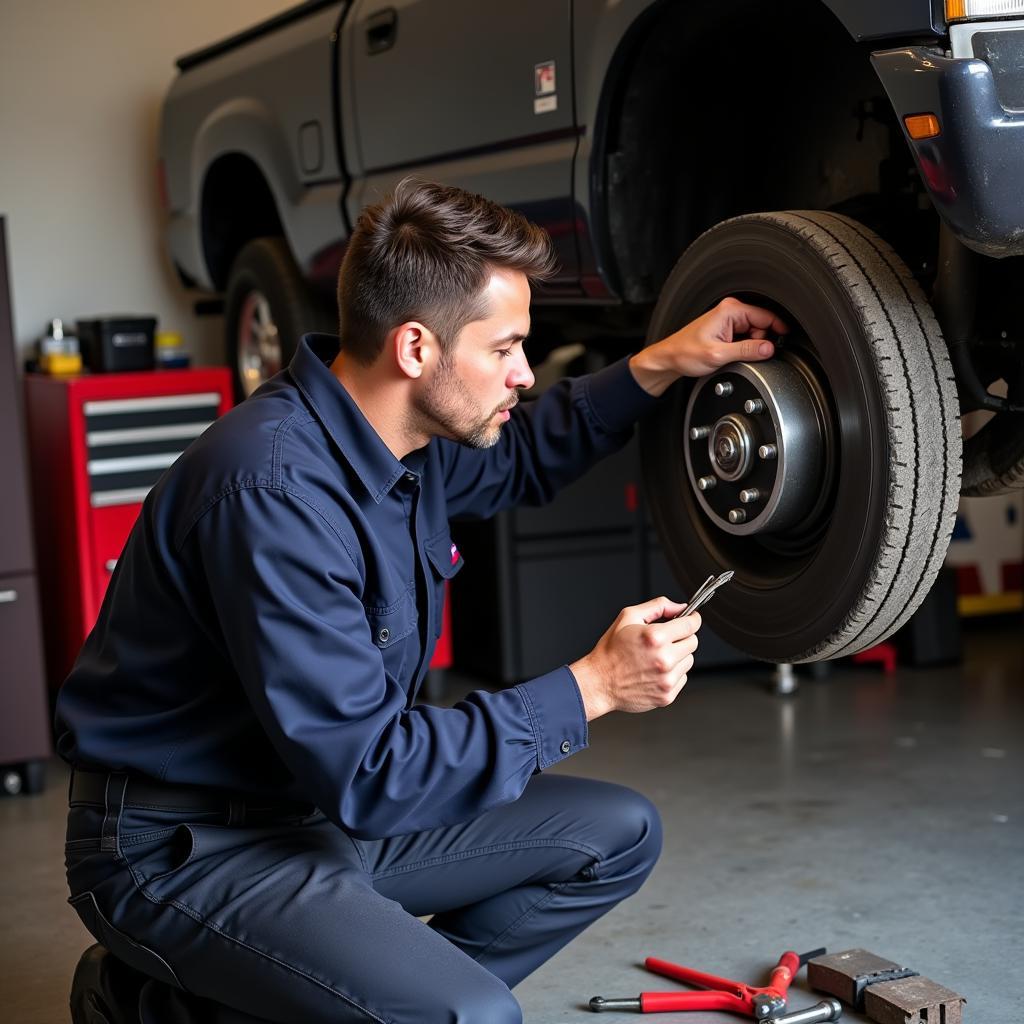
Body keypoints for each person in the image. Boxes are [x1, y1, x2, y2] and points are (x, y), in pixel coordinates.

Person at [57, 180, 783, 1024]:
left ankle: (308, 990)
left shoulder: (398, 438)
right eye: (506, 348)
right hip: (187, 849)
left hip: (313, 806)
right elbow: (371, 773)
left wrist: (662, 363)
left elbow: (527, 457)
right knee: (470, 1017)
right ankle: (150, 1005)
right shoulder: (273, 493)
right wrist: (593, 685)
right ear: (414, 348)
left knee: (615, 835)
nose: (523, 374)